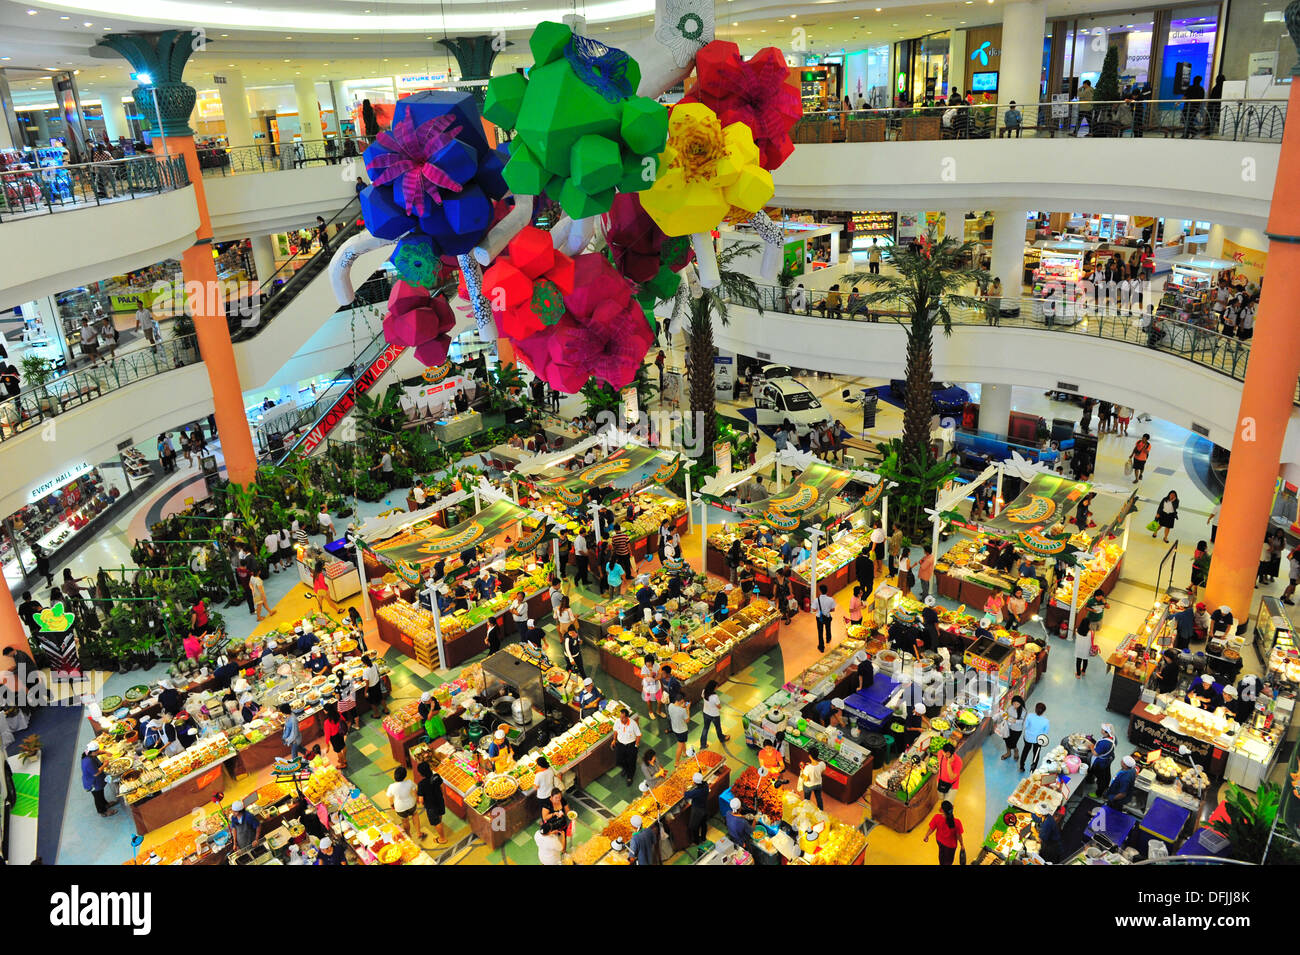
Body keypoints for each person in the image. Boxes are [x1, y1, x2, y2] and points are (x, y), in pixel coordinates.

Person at [923, 800, 965, 866]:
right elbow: (959, 836)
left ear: (942, 810)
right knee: (948, 861)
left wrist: (927, 835)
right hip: (950, 846)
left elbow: (931, 828)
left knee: (941, 855)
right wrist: (962, 844)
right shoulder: (957, 822)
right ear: (952, 808)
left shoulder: (936, 817)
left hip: (939, 841)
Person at [81, 743, 117, 817]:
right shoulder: (88, 762)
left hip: (97, 781)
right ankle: (102, 811)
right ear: (93, 752)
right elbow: (96, 773)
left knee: (101, 793)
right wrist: (104, 765)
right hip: (92, 783)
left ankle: (106, 804)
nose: (98, 752)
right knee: (98, 797)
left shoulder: (88, 753)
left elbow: (99, 752)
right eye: (97, 751)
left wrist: (106, 752)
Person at [387, 765, 420, 839]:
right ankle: (418, 832)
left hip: (400, 807)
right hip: (411, 804)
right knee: (415, 815)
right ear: (405, 775)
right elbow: (415, 792)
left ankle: (409, 835)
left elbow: (390, 798)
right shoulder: (409, 782)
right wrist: (417, 799)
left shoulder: (391, 786)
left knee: (405, 821)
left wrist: (392, 805)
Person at [1084, 724, 1117, 798]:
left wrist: (1092, 747)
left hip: (1101, 763)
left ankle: (1098, 793)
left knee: (1101, 778)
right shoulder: (1113, 738)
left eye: (1102, 729)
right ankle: (1105, 786)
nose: (1101, 730)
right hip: (1108, 759)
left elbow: (1095, 753)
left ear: (1106, 732)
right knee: (1106, 775)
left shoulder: (1105, 743)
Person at [611, 709, 642, 784]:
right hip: (620, 744)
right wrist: (614, 740)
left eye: (623, 718)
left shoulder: (633, 724)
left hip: (631, 745)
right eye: (620, 717)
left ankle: (630, 777)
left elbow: (639, 735)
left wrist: (636, 745)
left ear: (627, 717)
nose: (621, 719)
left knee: (631, 762)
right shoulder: (618, 722)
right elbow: (615, 731)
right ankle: (625, 768)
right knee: (619, 761)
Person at [1020, 702, 1050, 772]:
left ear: (1035, 709)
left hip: (1028, 738)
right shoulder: (1046, 721)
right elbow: (1046, 732)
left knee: (1025, 751)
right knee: (1036, 753)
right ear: (1044, 711)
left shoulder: (1029, 716)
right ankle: (1033, 769)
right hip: (1038, 740)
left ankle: (1021, 766)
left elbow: (1025, 726)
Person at [700, 680, 728, 747]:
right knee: (718, 727)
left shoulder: (704, 691)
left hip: (706, 713)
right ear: (713, 688)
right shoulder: (715, 696)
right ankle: (721, 738)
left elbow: (702, 697)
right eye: (716, 687)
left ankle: (703, 744)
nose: (717, 688)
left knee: (705, 728)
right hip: (714, 715)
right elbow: (719, 707)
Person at [685, 772, 710, 844]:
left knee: (694, 827)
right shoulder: (706, 786)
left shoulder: (697, 792)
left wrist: (683, 788)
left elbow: (686, 795)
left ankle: (696, 841)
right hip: (704, 808)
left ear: (695, 782)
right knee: (703, 824)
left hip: (697, 811)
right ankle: (703, 838)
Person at [666, 692, 691, 763]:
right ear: (681, 701)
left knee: (682, 742)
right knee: (679, 746)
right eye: (683, 701)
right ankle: (676, 762)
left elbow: (676, 712)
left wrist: (682, 707)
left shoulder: (670, 706)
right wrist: (687, 709)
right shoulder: (682, 710)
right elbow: (687, 720)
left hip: (675, 728)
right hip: (682, 730)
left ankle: (685, 753)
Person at [323, 702, 347, 769]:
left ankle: (342, 764)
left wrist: (327, 745)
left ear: (327, 711)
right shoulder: (338, 714)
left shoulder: (327, 722)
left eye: (324, 710)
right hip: (340, 733)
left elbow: (327, 734)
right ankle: (344, 759)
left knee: (338, 751)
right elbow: (344, 719)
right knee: (343, 745)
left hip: (334, 737)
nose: (323, 711)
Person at [813, 583, 836, 653]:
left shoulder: (816, 600)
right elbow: (833, 609)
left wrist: (819, 609)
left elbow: (814, 609)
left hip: (819, 617)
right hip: (827, 616)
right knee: (828, 628)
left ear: (820, 591)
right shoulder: (831, 599)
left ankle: (821, 647)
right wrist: (827, 610)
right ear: (827, 591)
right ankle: (828, 639)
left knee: (820, 632)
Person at [1074, 613, 1094, 679]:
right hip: (1086, 650)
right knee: (1085, 660)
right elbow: (1092, 640)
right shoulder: (1091, 633)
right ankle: (1083, 671)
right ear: (1088, 625)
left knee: (1078, 661)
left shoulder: (1077, 631)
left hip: (1079, 650)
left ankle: (1078, 675)